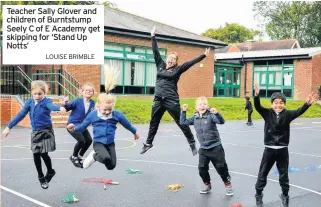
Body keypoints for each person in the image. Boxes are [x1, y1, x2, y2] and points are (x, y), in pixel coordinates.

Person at [140, 26, 210, 156]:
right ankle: (148, 143)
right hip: (158, 100)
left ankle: (192, 142)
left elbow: (190, 63)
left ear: (175, 61)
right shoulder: (160, 65)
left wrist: (203, 56)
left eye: (173, 58)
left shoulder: (178, 69)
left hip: (171, 100)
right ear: (167, 58)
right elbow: (155, 51)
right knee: (153, 122)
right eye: (169, 57)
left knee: (181, 122)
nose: (171, 59)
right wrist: (153, 36)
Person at [253, 83, 319, 207]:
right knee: (263, 173)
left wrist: (307, 104)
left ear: (284, 104)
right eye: (276, 102)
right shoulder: (267, 113)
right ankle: (258, 194)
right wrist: (256, 95)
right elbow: (257, 106)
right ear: (271, 104)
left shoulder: (287, 114)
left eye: (281, 102)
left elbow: (299, 111)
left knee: (284, 175)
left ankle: (285, 195)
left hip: (283, 150)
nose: (278, 105)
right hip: (269, 150)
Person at [66, 67, 140, 170]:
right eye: (104, 110)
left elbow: (126, 124)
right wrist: (74, 129)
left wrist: (134, 132)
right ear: (98, 106)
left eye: (109, 109)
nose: (107, 112)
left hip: (110, 143)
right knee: (105, 158)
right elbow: (83, 126)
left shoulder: (116, 114)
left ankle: (98, 157)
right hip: (99, 143)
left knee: (111, 166)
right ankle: (94, 156)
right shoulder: (93, 114)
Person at [2, 80, 66, 189]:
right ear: (31, 93)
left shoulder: (46, 102)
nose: (37, 96)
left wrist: (59, 108)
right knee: (36, 154)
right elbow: (20, 115)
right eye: (35, 93)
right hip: (35, 132)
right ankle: (41, 177)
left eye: (40, 94)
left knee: (43, 154)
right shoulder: (29, 103)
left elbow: (52, 106)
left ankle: (50, 172)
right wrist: (9, 127)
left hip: (46, 132)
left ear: (44, 93)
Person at [180, 97, 233, 196]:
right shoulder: (195, 117)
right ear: (196, 107)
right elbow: (183, 123)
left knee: (221, 167)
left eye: (204, 104)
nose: (202, 106)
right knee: (202, 168)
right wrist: (183, 111)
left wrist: (217, 113)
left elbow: (221, 121)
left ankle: (227, 184)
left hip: (215, 147)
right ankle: (207, 185)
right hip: (204, 149)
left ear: (207, 106)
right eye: (200, 104)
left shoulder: (211, 116)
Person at [63, 84, 95, 168]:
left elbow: (91, 114)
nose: (88, 92)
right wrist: (65, 103)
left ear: (93, 93)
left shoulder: (92, 103)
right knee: (81, 140)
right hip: (72, 125)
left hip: (83, 126)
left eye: (90, 91)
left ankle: (80, 156)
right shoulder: (77, 101)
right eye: (86, 90)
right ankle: (74, 157)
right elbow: (67, 107)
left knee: (88, 140)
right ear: (82, 92)